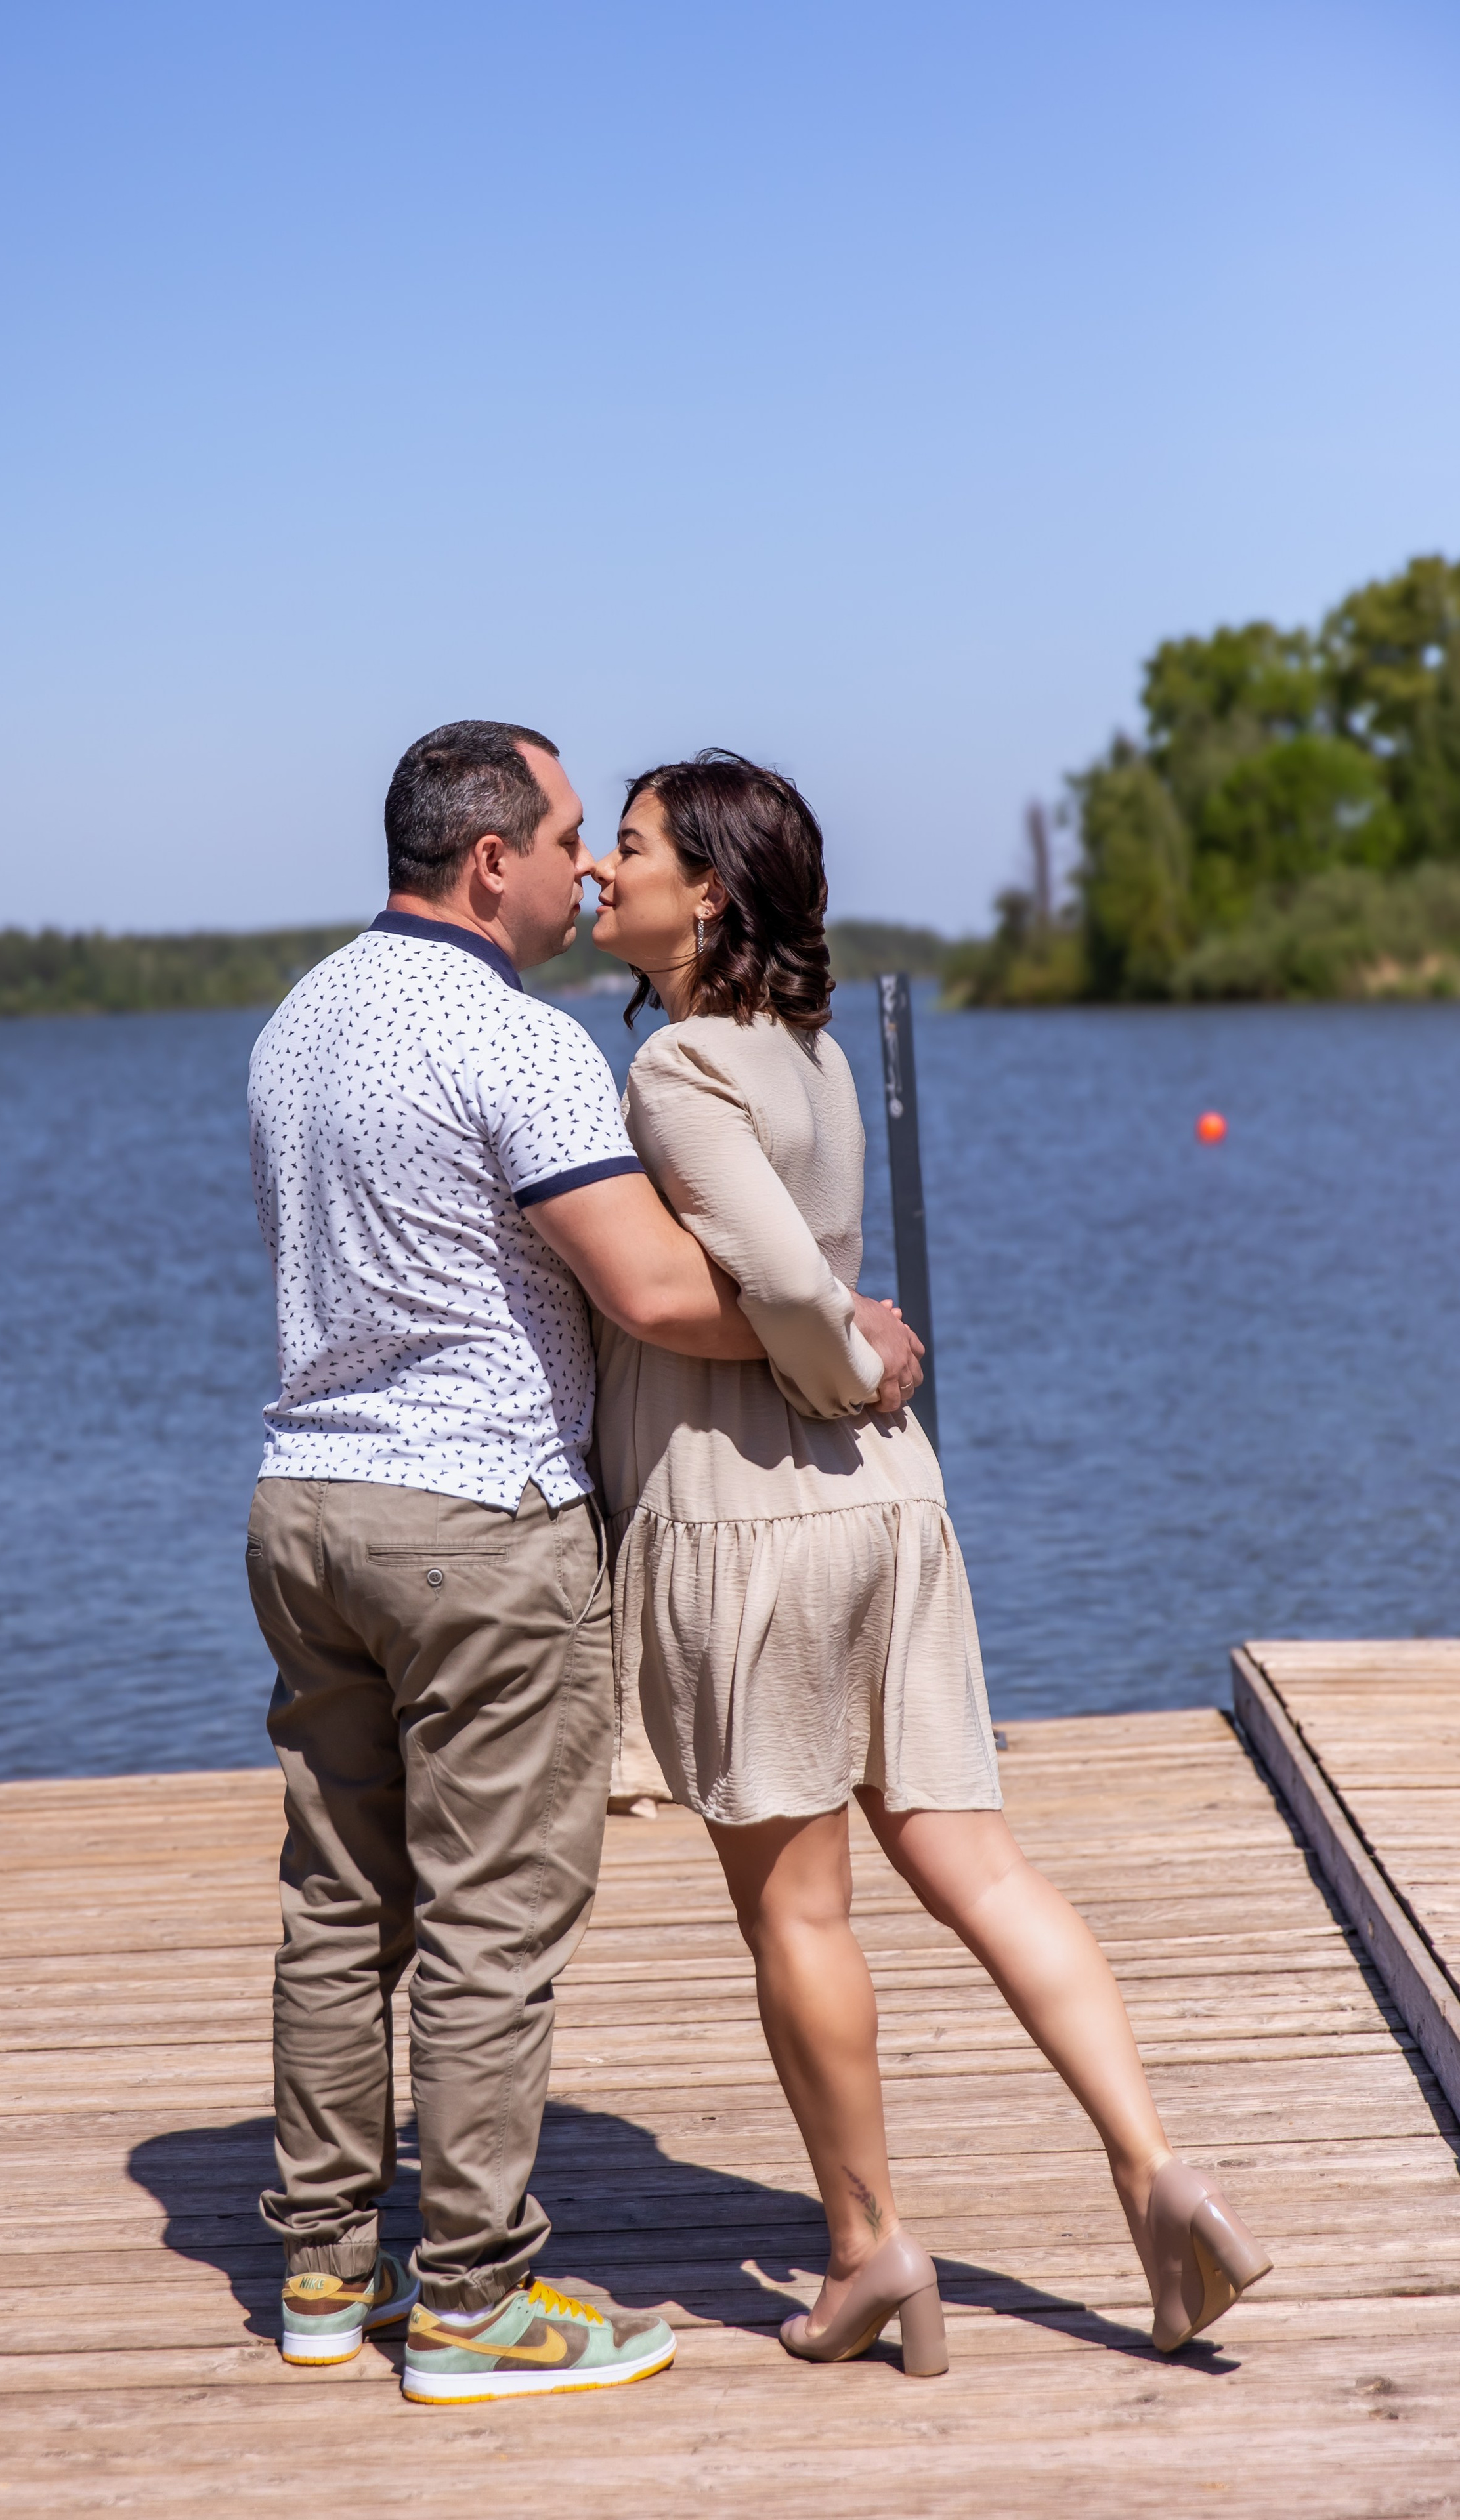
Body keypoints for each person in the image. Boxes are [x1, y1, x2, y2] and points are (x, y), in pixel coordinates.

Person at [244, 720, 914, 2405]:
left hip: (306, 1502)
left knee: (339, 1903)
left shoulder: (297, 1021)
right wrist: (853, 1334)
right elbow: (659, 1293)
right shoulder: (517, 1043)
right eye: (565, 835)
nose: (587, 866)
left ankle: (328, 2268)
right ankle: (470, 2302)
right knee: (492, 1919)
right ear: (491, 864)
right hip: (475, 1527)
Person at [588, 749, 1272, 2374]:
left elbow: (766, 1277)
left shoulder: (679, 1067)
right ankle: (1153, 2167)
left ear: (709, 892)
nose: (603, 876)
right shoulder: (810, 1049)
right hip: (889, 1507)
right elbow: (814, 1259)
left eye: (628, 851)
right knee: (980, 1868)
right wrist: (867, 1367)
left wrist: (853, 1359)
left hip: (754, 1511)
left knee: (800, 1919)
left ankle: (868, 2252)